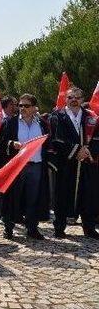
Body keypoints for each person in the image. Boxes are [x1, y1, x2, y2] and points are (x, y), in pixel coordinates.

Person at [0, 93, 50, 240]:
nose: (22, 108)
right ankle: (9, 228)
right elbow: (0, 142)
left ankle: (32, 228)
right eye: (20, 105)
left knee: (34, 197)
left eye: (26, 106)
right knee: (13, 197)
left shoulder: (42, 124)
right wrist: (12, 144)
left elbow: (48, 144)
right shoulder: (10, 123)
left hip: (36, 166)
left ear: (34, 108)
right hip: (17, 166)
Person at [50, 87, 99, 239]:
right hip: (66, 163)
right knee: (62, 195)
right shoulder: (57, 116)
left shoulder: (91, 117)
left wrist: (89, 152)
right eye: (70, 97)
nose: (73, 100)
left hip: (86, 163)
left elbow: (97, 138)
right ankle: (59, 228)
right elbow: (56, 139)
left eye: (77, 97)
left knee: (88, 196)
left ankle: (89, 228)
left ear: (82, 99)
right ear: (66, 99)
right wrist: (77, 150)